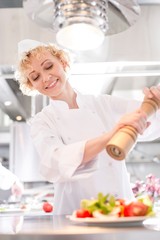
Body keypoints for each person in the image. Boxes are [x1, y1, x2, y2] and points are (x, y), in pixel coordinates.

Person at [15, 39, 160, 215]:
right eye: (35, 77)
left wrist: (154, 103)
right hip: (74, 215)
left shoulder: (103, 103)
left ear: (63, 62)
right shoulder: (42, 122)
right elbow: (55, 162)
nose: (45, 78)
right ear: (32, 86)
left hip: (120, 209)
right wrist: (112, 134)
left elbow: (150, 124)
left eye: (48, 66)